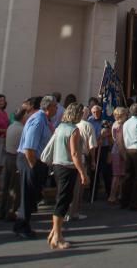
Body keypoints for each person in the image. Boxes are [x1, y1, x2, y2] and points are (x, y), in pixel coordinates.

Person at [48, 102, 89, 250]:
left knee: (62, 199)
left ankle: (54, 232)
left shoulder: (60, 127)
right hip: (67, 167)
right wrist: (82, 173)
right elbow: (75, 154)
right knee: (63, 201)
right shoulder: (73, 130)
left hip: (57, 166)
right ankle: (57, 237)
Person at [14, 95, 56, 239]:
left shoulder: (45, 120)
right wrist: (33, 167)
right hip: (30, 160)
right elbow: (29, 148)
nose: (57, 109)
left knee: (31, 194)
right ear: (48, 107)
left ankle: (21, 223)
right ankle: (22, 226)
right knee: (28, 194)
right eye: (55, 106)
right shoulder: (38, 120)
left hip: (37, 161)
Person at [0, 106, 27, 222]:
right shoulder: (22, 129)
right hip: (16, 158)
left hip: (8, 156)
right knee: (15, 187)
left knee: (7, 185)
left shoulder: (10, 127)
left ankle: (3, 210)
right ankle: (11, 211)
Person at [108, 107, 128, 204]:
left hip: (115, 150)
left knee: (120, 174)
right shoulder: (120, 126)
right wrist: (124, 155)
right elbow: (120, 142)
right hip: (120, 151)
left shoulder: (115, 124)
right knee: (117, 175)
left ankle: (120, 194)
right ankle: (113, 196)